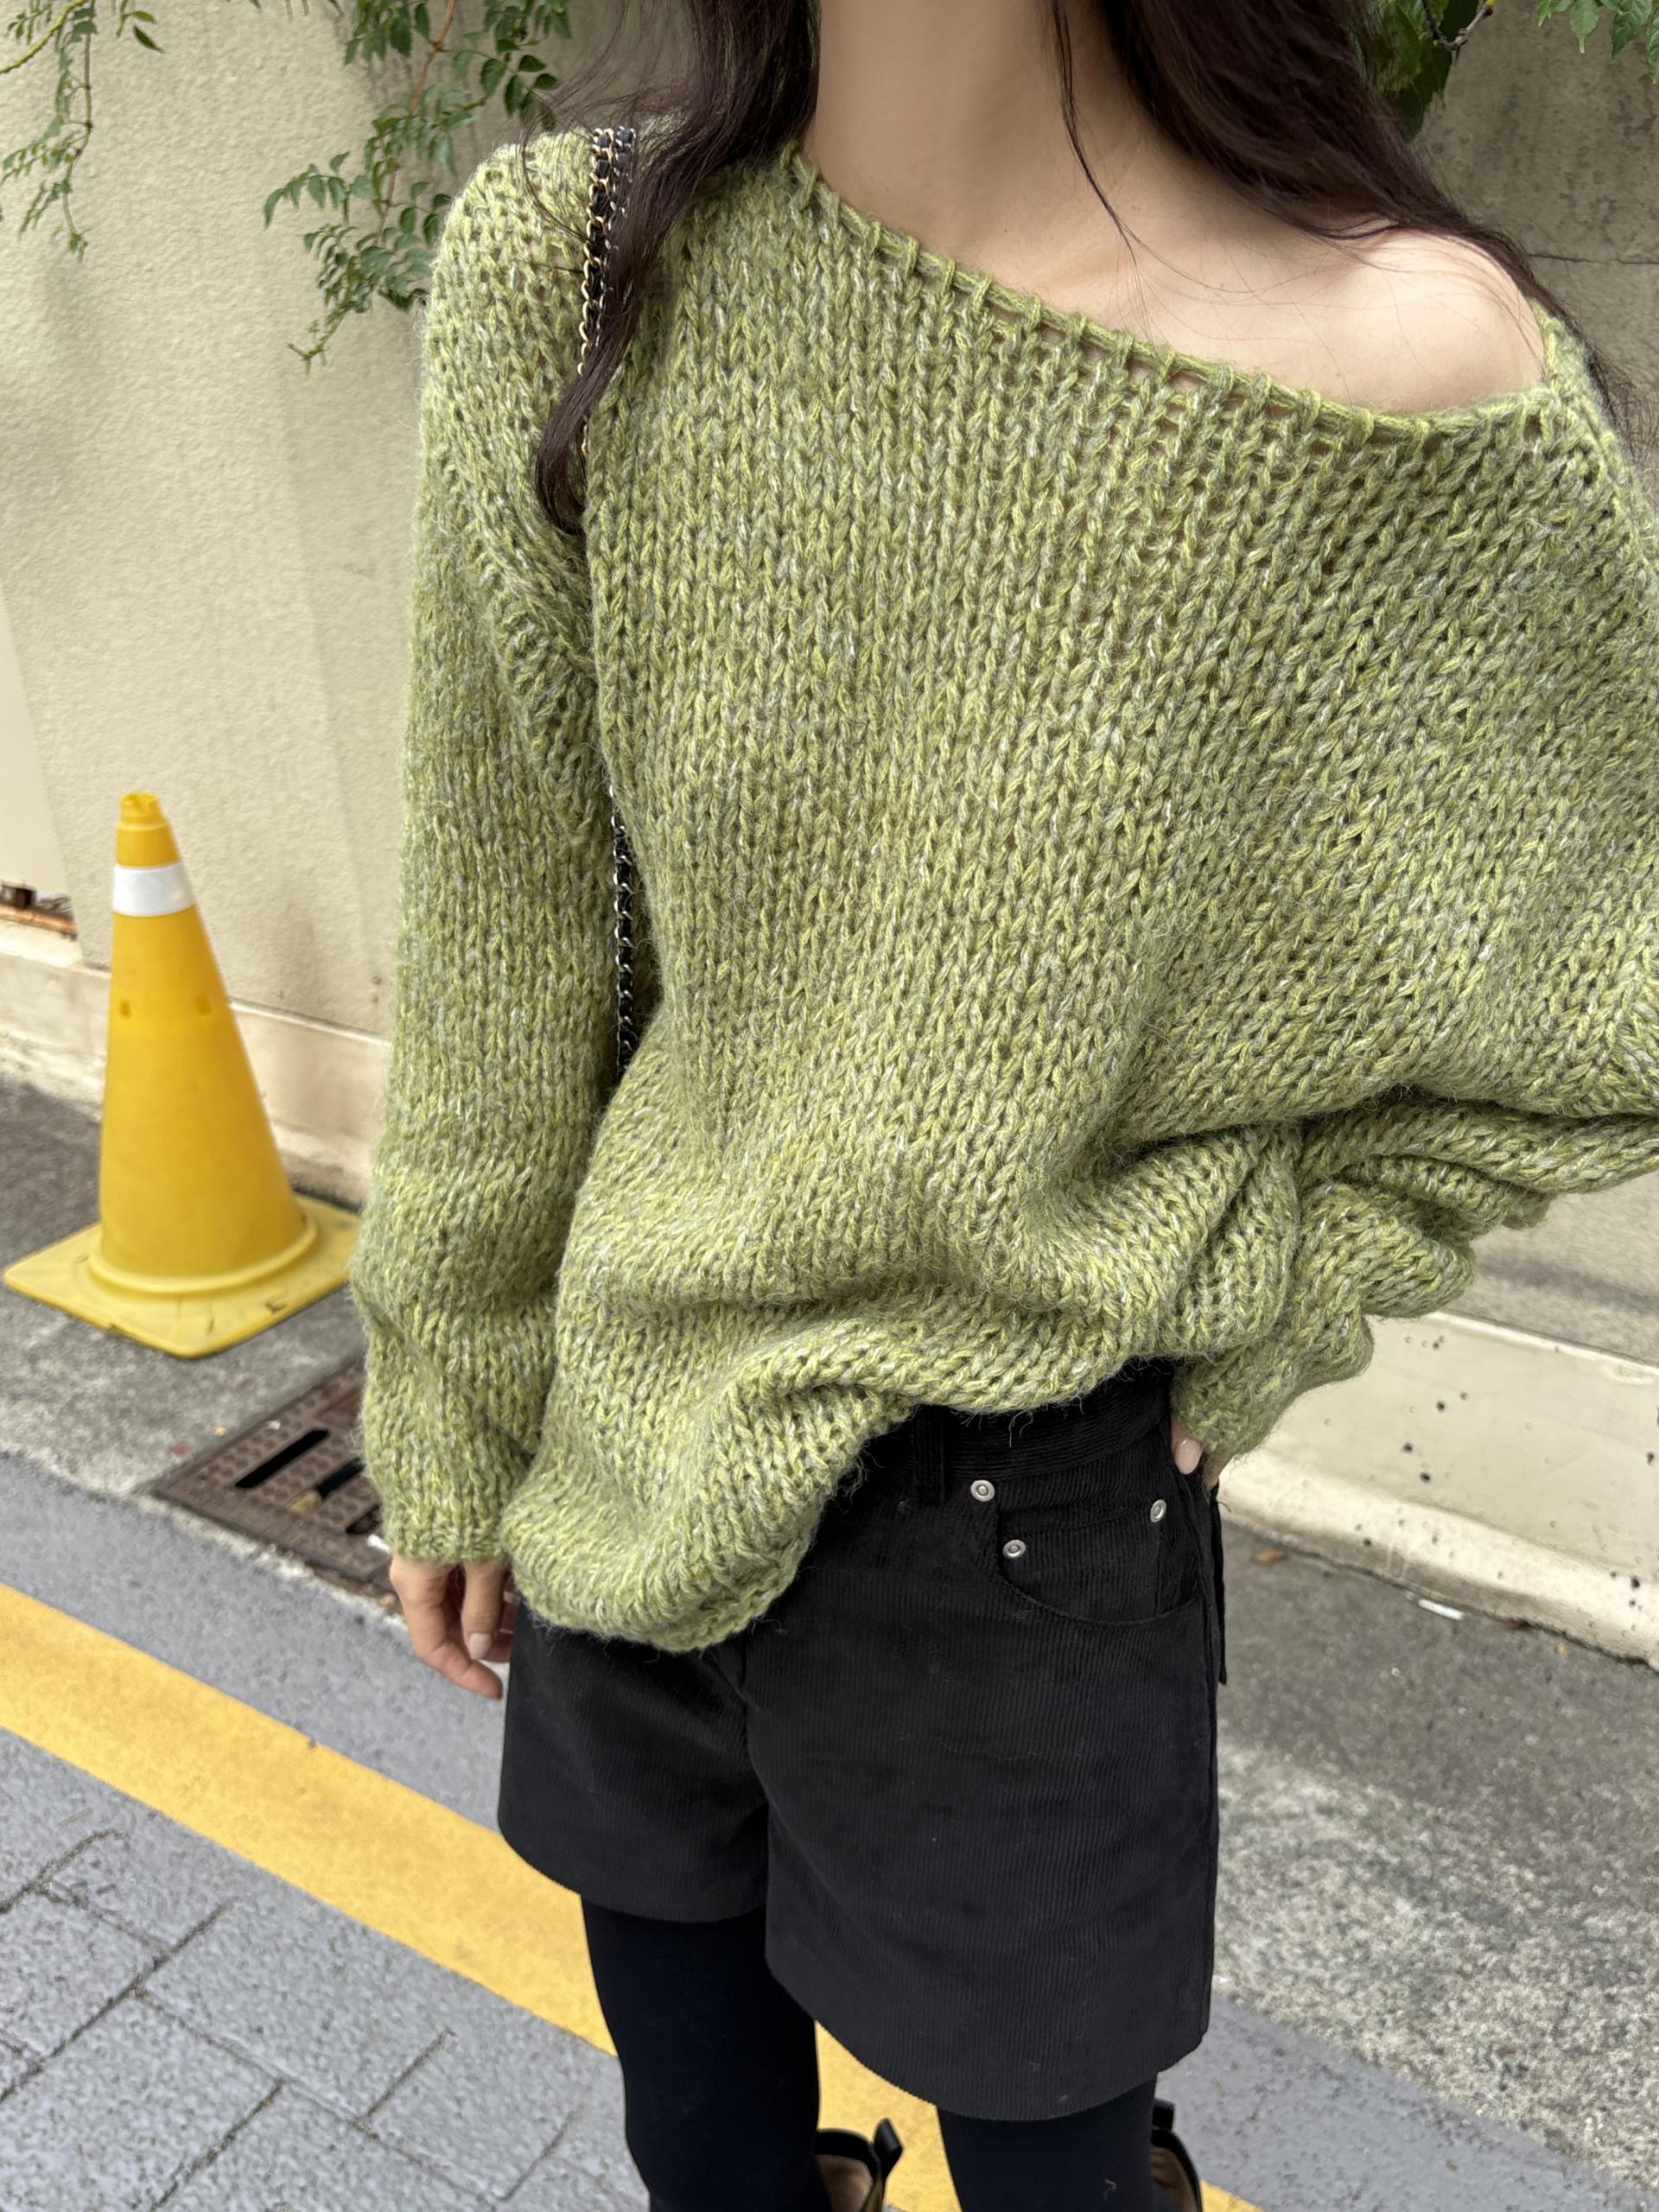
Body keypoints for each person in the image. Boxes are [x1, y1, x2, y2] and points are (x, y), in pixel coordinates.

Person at [346, 2, 1659, 2206]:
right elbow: (512, 918)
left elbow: (1601, 997)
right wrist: (453, 1403)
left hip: (1029, 1510)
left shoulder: (1398, 372)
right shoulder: (573, 273)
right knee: (701, 2150)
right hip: (632, 1434)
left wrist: (1283, 1298)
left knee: (1059, 2176)